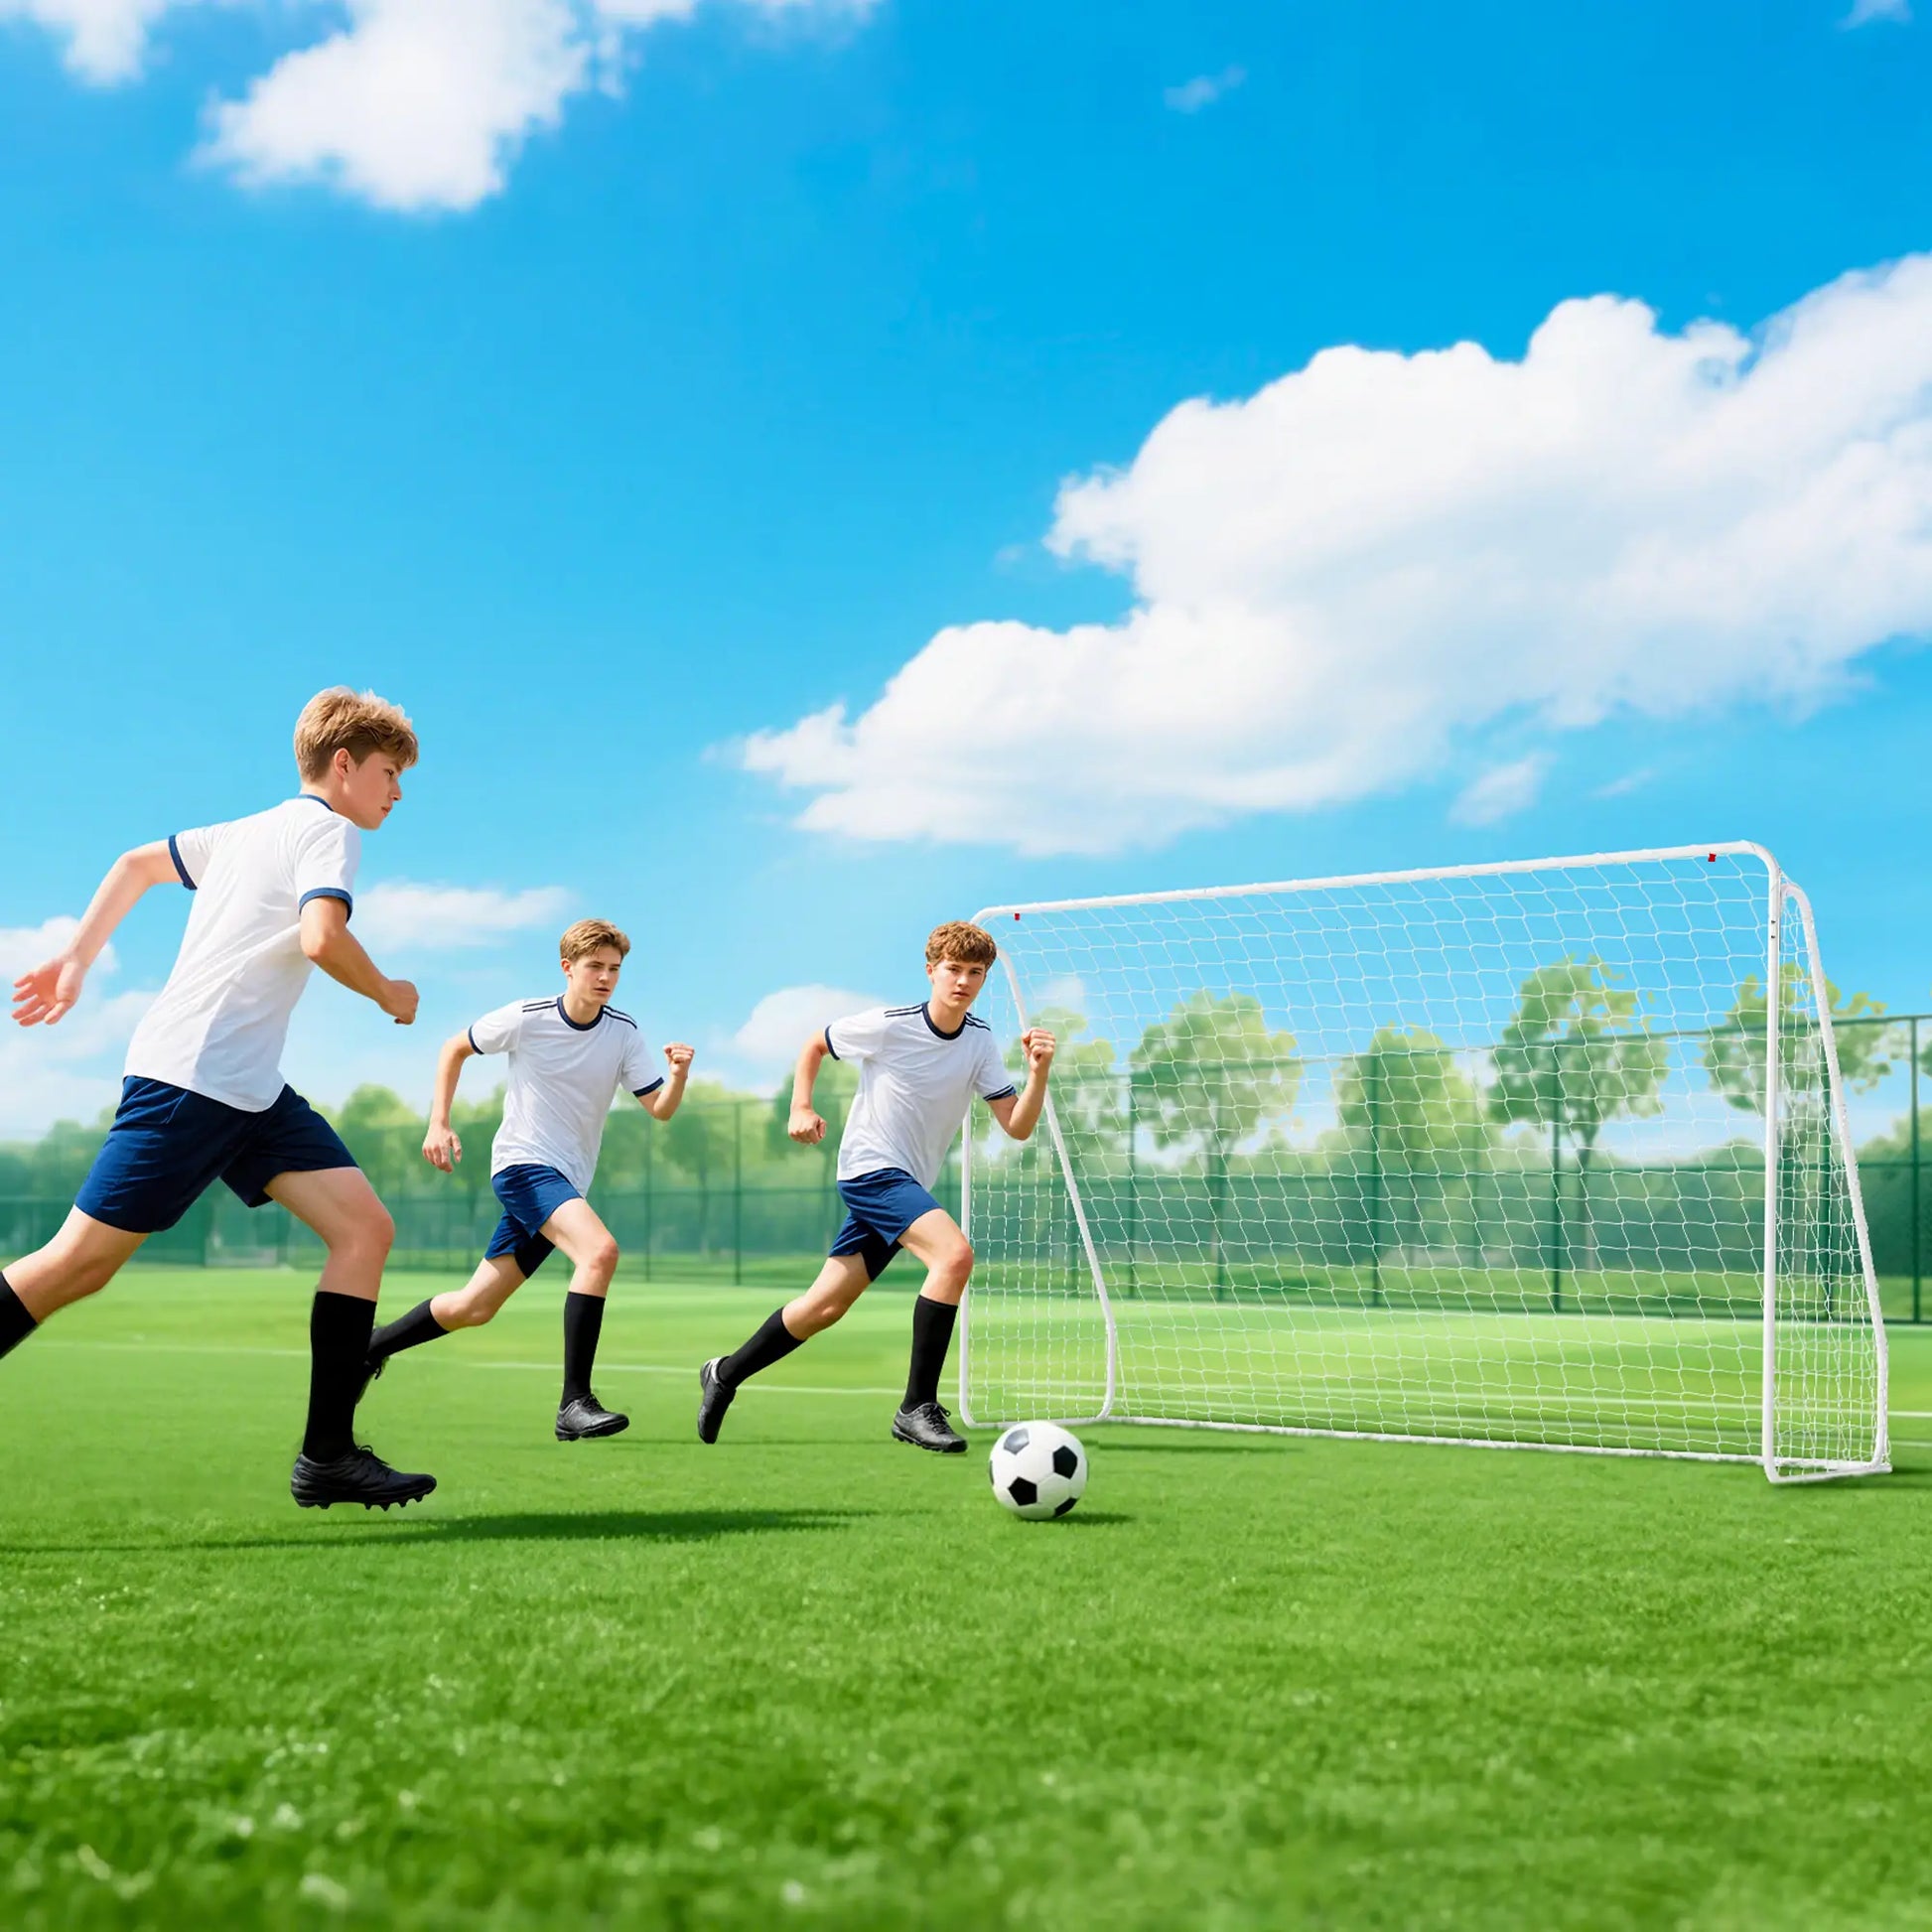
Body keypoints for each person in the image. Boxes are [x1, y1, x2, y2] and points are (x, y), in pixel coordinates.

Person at [3, 688, 436, 1510]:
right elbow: (322, 937)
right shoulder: (326, 830)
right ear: (342, 766)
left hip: (248, 1090)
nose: (397, 793)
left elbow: (135, 863)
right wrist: (389, 993)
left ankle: (329, 1456)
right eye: (389, 773)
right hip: (191, 1081)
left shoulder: (242, 831)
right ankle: (329, 1453)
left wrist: (76, 958)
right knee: (75, 1266)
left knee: (364, 1228)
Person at [697, 920, 1054, 1453]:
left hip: (907, 1180)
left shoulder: (979, 1041)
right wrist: (800, 1106)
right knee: (953, 1256)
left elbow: (1017, 1126)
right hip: (871, 1170)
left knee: (824, 1307)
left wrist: (1038, 1073)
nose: (962, 981)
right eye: (952, 970)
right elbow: (815, 1044)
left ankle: (723, 1373)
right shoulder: (890, 1025)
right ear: (931, 970)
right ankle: (916, 1407)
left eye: (974, 973)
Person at [359, 919, 692, 1441]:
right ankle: (574, 1403)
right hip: (523, 1165)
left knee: (476, 1306)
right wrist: (438, 1122)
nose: (605, 978)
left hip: (568, 1182)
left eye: (614, 970)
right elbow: (454, 1048)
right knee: (599, 1252)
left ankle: (372, 1348)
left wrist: (677, 1077)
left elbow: (659, 1109)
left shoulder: (623, 1032)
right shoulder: (527, 1017)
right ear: (568, 968)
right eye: (595, 967)